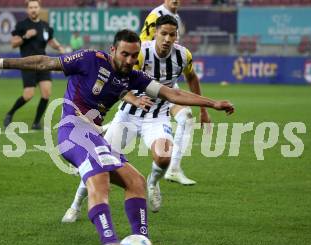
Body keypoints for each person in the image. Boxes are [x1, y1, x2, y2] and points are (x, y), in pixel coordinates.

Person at [0, 29, 234, 245]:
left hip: (94, 136)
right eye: (125, 54)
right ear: (113, 50)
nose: (129, 59)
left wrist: (212, 103)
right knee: (99, 176)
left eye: (134, 55)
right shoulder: (90, 59)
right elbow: (46, 63)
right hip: (73, 132)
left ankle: (142, 244)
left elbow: (171, 94)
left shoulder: (132, 76)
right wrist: (2, 62)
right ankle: (109, 243)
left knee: (136, 181)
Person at [62, 15, 207, 223]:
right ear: (155, 32)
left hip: (157, 117)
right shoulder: (139, 53)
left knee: (164, 157)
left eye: (172, 34)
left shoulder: (183, 56)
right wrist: (132, 98)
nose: (167, 38)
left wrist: (205, 108)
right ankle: (75, 205)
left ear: (177, 36)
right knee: (98, 161)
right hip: (128, 116)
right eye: (163, 33)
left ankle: (153, 183)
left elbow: (188, 80)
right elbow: (119, 79)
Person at [142, 0, 207, 185]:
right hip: (148, 80)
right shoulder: (156, 16)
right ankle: (97, 139)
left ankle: (174, 169)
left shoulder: (174, 17)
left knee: (186, 117)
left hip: (167, 83)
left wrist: (204, 109)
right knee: (128, 121)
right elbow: (143, 46)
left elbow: (192, 77)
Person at [4, 0, 65, 130]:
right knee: (28, 95)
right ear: (27, 10)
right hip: (27, 64)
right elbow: (13, 43)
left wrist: (59, 47)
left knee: (46, 93)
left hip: (43, 63)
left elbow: (50, 40)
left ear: (39, 9)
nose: (33, 9)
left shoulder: (45, 26)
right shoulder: (22, 25)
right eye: (31, 7)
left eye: (35, 7)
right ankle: (10, 114)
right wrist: (26, 36)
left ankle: (36, 123)